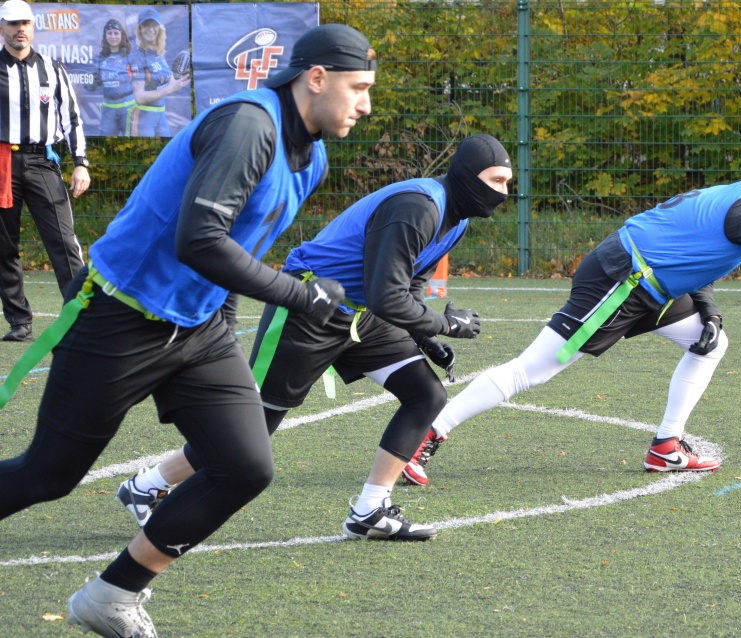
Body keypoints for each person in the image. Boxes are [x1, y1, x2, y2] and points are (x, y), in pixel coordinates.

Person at [0, 23, 376, 638]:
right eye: (358, 88)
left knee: (245, 466)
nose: (365, 104)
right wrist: (300, 296)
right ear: (316, 79)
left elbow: (240, 244)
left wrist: (222, 327)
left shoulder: (313, 153)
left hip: (198, 329)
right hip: (119, 316)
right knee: (49, 473)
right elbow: (199, 240)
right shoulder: (249, 125)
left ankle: (112, 595)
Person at [401, 148, 741, 486]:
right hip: (623, 281)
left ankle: (665, 447)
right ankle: (429, 432)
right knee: (534, 370)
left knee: (710, 340)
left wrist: (710, 312)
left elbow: (691, 255)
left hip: (643, 280)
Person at [117, 134, 513, 543]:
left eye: (506, 182)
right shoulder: (418, 207)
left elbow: (410, 283)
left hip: (361, 316)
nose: (502, 191)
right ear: (467, 174)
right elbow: (387, 295)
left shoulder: (457, 218)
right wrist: (444, 325)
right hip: (310, 307)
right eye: (495, 179)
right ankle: (145, 486)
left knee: (426, 396)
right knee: (251, 431)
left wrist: (423, 336)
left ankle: (369, 512)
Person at [0, 0, 88, 342]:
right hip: (3, 164)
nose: (19, 29)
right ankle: (19, 322)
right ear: (2, 28)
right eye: (12, 24)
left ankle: (79, 317)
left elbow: (73, 120)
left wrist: (80, 163)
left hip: (43, 162)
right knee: (4, 247)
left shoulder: (53, 69)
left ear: (33, 27)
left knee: (64, 242)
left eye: (25, 23)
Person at [128, 8, 189, 137]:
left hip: (161, 116)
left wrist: (178, 80)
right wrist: (169, 89)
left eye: (154, 25)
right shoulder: (137, 58)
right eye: (146, 25)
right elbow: (139, 97)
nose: (150, 29)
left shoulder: (159, 53)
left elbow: (167, 81)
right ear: (140, 29)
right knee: (146, 155)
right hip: (144, 118)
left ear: (159, 28)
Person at [86, 18, 136, 136]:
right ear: (105, 36)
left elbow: (139, 81)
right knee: (104, 140)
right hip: (108, 107)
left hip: (127, 106)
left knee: (129, 140)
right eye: (109, 33)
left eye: (116, 33)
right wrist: (91, 84)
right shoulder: (99, 58)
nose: (113, 36)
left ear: (122, 35)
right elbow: (93, 84)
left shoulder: (130, 56)